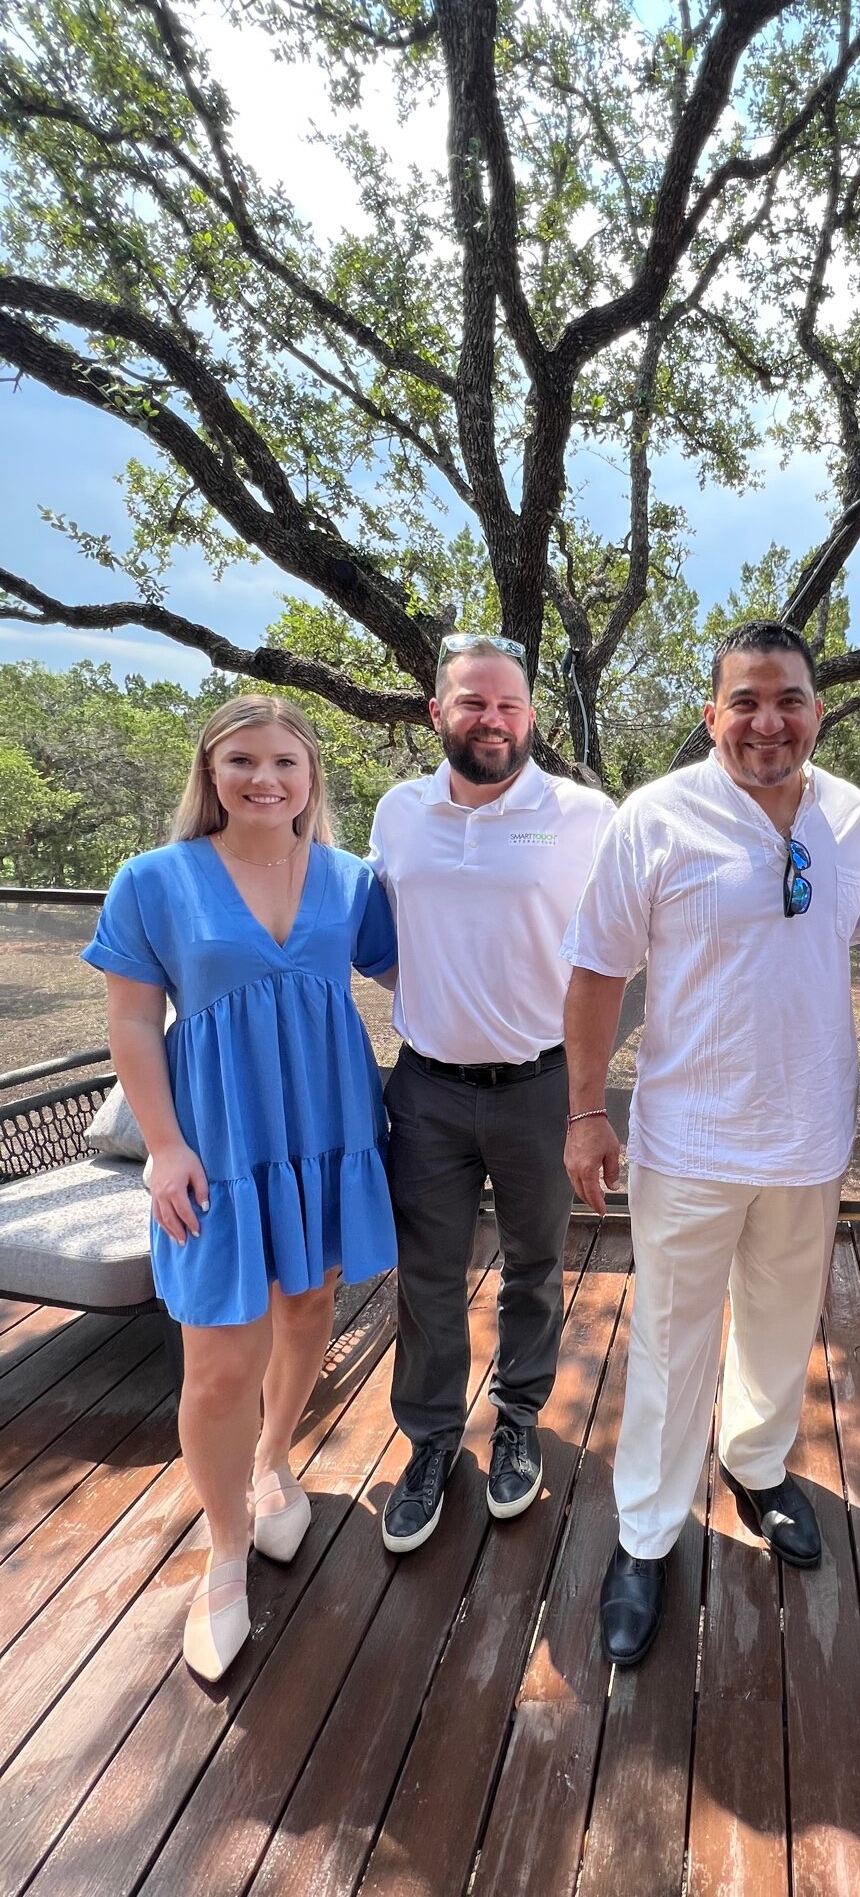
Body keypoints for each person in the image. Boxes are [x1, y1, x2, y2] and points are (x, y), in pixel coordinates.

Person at [562, 619, 860, 1666]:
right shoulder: (654, 819)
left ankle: (756, 1465)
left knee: (786, 1324)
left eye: (787, 698)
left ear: (816, 712)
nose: (767, 720)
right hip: (690, 1138)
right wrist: (584, 1111)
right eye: (744, 700)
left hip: (810, 1133)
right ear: (713, 714)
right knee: (669, 1338)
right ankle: (647, 1533)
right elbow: (598, 972)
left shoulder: (852, 817)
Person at [82, 696, 398, 1681]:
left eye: (285, 763)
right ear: (209, 775)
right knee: (219, 1359)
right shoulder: (154, 881)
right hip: (214, 1144)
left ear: (312, 779)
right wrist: (165, 1146)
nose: (265, 780)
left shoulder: (354, 883)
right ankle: (223, 1552)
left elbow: (432, 972)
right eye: (242, 762)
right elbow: (133, 1024)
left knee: (309, 1305)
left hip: (325, 1129)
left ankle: (272, 1462)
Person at [369, 635, 615, 1553]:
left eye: (509, 705)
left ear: (532, 718)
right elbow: (385, 938)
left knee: (534, 1266)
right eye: (473, 702)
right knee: (426, 1274)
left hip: (539, 1088)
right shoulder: (398, 814)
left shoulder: (586, 815)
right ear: (437, 712)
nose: (492, 720)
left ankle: (518, 1420)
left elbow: (623, 950)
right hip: (425, 1089)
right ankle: (430, 1444)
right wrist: (438, 993)